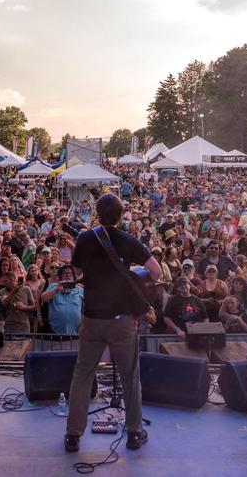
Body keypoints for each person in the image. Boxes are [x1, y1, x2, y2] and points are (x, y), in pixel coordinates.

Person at [64, 194, 162, 454]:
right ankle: (134, 433)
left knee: (82, 374)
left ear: (97, 212)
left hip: (92, 317)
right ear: (121, 215)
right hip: (122, 320)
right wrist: (133, 274)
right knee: (130, 377)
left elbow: (80, 273)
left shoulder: (84, 239)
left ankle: (73, 435)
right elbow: (157, 272)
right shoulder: (129, 241)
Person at [41, 264, 84, 335]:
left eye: (70, 273)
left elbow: (87, 308)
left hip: (75, 332)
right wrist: (56, 290)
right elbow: (44, 298)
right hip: (55, 332)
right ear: (60, 276)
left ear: (74, 276)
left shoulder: (80, 289)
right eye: (65, 273)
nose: (68, 275)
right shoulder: (53, 286)